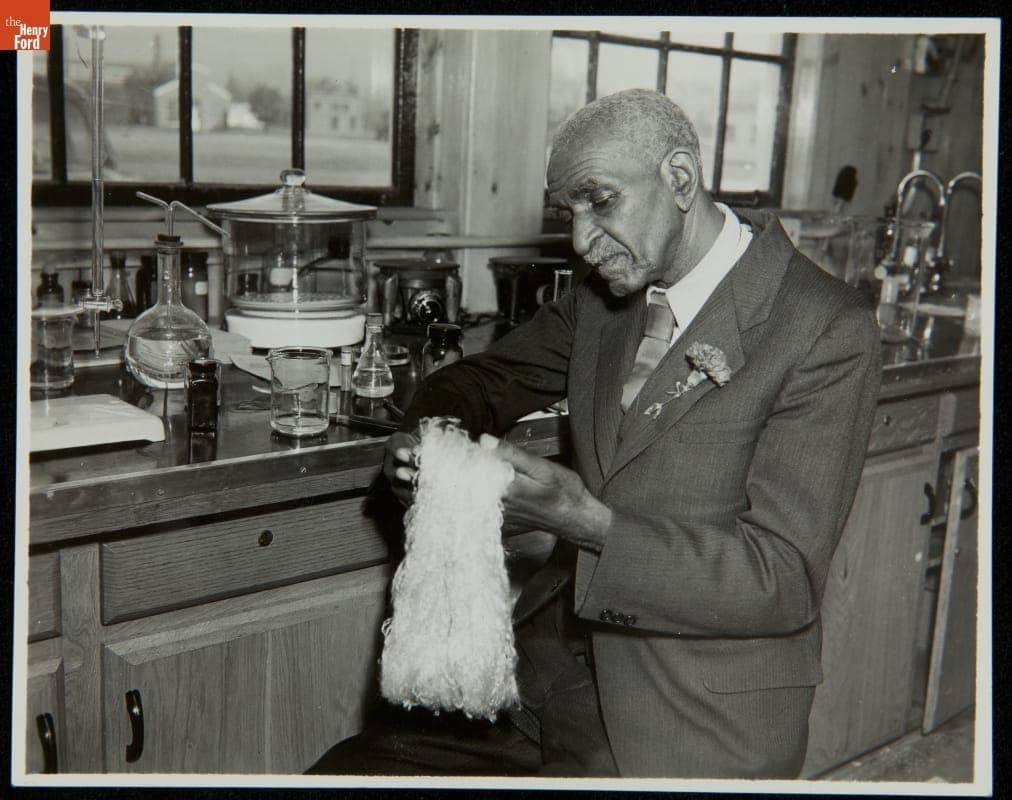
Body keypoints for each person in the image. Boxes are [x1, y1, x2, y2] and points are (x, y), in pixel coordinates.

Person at [308, 88, 882, 779]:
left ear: (679, 177)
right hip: (542, 669)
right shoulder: (605, 300)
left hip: (689, 707)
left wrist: (584, 521)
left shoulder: (825, 327)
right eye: (569, 212)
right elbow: (483, 380)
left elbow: (779, 580)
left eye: (600, 201)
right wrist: (431, 439)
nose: (582, 240)